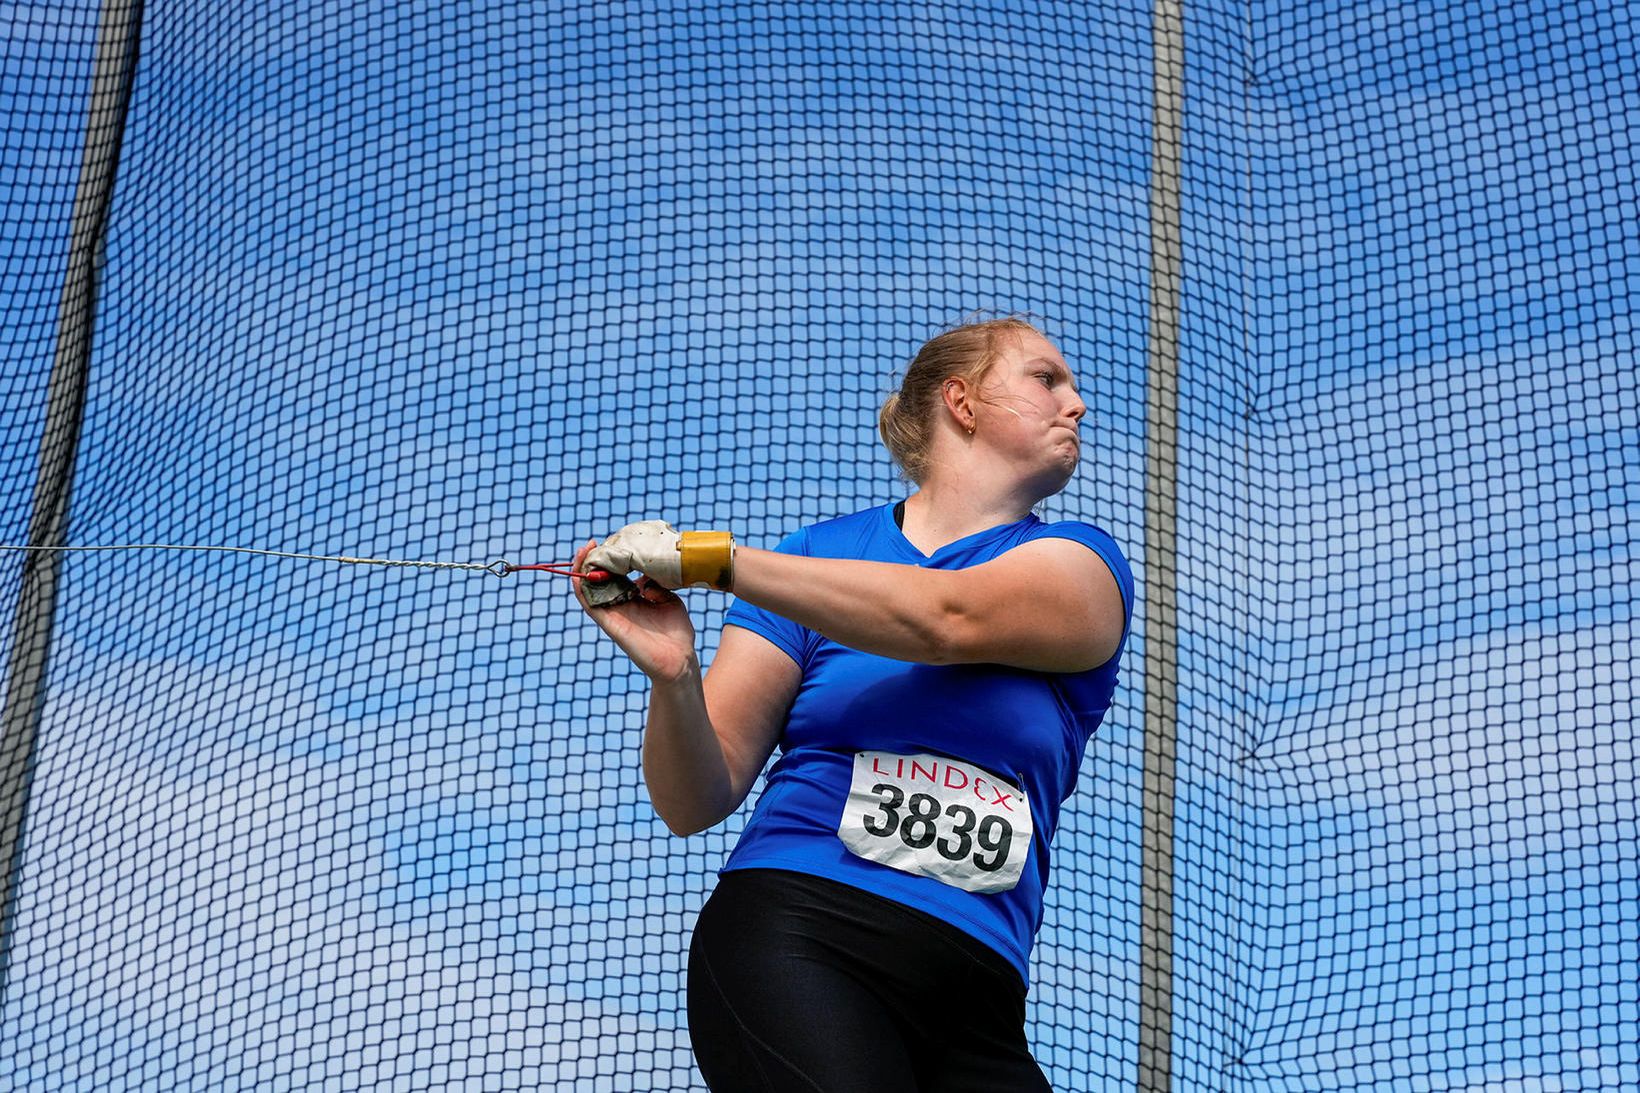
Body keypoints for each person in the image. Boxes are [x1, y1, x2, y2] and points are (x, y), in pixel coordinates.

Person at [572, 316, 1134, 1091]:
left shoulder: (1084, 567)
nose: (1077, 403)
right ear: (962, 402)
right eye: (1046, 378)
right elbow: (693, 799)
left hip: (981, 996)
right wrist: (675, 677)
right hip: (799, 934)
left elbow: (946, 618)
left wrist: (718, 561)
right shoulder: (809, 562)